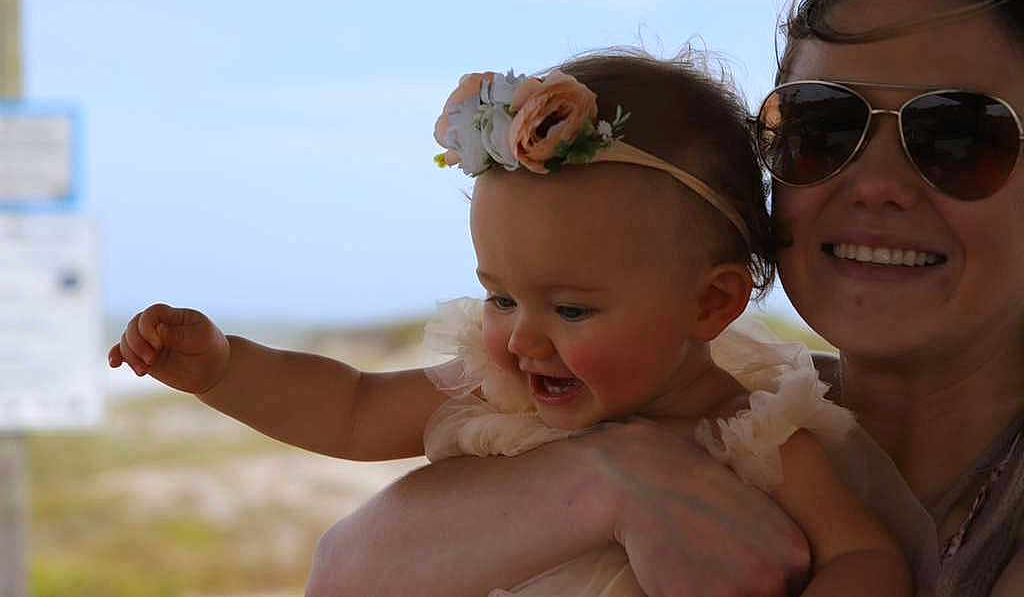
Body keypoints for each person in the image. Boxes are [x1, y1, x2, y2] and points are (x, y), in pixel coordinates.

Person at [303, 0, 1024, 597]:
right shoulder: (714, 402)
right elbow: (341, 571)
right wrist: (612, 481)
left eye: (958, 137)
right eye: (822, 127)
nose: (874, 184)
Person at [109, 52, 912, 595]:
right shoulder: (500, 393)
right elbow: (349, 406)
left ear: (710, 305)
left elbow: (865, 556)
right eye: (500, 298)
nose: (523, 339)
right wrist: (223, 368)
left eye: (572, 308)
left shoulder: (758, 437)